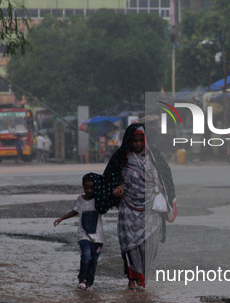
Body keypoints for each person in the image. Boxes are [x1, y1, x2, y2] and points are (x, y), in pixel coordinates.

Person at [95, 123, 175, 292]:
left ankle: (141, 275)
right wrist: (114, 189)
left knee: (149, 247)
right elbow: (108, 180)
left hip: (151, 208)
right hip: (128, 208)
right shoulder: (121, 157)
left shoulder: (154, 156)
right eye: (135, 140)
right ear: (129, 141)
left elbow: (166, 175)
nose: (138, 144)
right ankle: (132, 279)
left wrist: (164, 191)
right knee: (130, 246)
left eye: (141, 140)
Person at [54, 173, 105, 291]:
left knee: (94, 260)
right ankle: (82, 280)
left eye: (92, 188)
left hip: (98, 237)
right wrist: (61, 218)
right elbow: (75, 211)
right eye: (86, 187)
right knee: (86, 256)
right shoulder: (80, 199)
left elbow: (108, 203)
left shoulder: (100, 199)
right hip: (83, 235)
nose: (89, 190)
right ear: (82, 186)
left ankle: (89, 283)